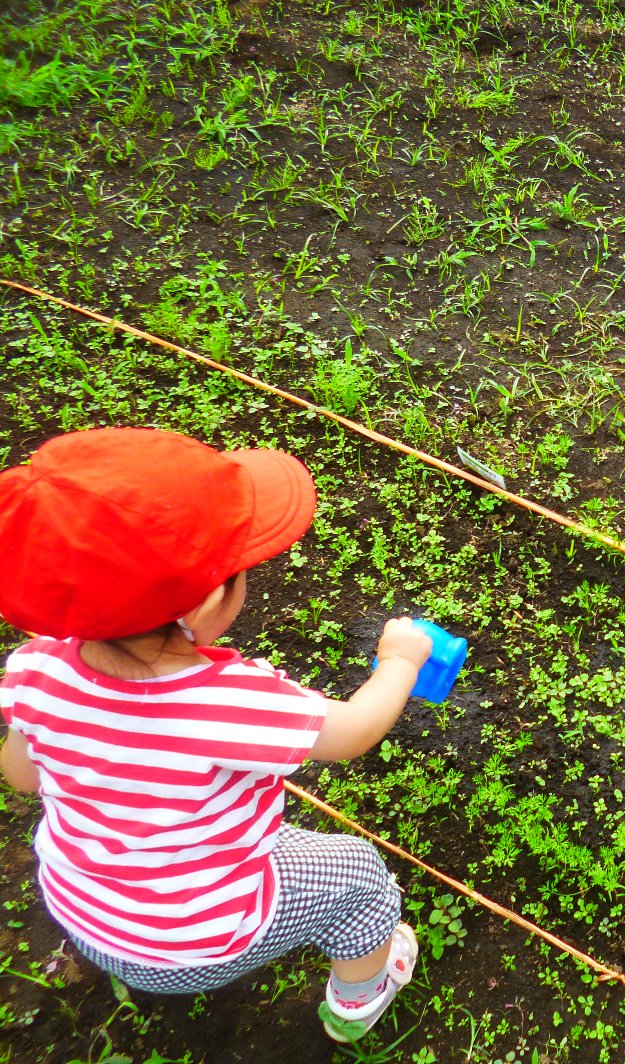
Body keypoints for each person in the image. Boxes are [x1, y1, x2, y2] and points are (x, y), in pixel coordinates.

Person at [0, 427, 434, 1043]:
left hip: (82, 907)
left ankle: (130, 973)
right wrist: (400, 662)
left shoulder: (34, 669)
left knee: (130, 889)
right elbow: (355, 731)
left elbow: (21, 774)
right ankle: (357, 1002)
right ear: (207, 601)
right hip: (198, 937)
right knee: (359, 876)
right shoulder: (228, 702)